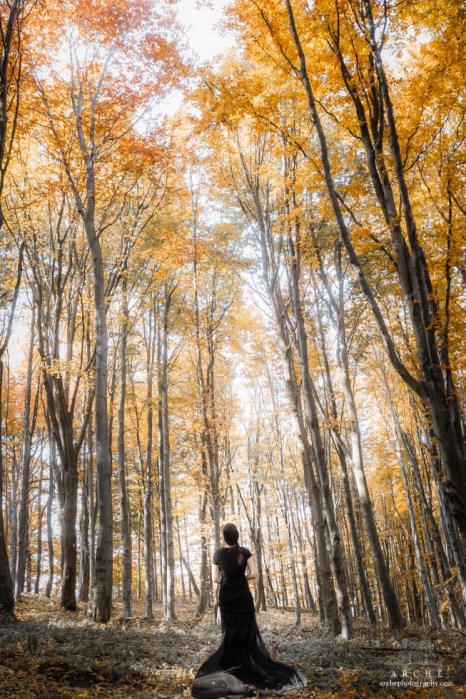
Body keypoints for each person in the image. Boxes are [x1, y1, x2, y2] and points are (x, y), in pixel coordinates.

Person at [192, 523, 306, 697]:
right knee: (246, 630)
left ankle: (233, 667)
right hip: (242, 596)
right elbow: (253, 574)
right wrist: (240, 578)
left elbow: (215, 579)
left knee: (230, 632)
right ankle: (248, 666)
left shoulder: (217, 553)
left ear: (224, 537)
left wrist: (227, 580)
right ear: (237, 536)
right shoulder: (245, 552)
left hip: (227, 597)